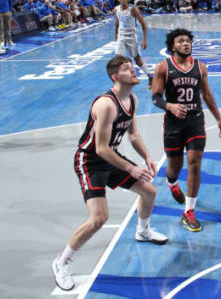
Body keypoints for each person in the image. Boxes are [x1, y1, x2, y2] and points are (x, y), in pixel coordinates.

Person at [52, 55, 168, 291]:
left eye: (133, 67)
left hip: (110, 157)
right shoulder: (106, 104)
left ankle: (143, 231)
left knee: (149, 191)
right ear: (116, 77)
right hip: (90, 161)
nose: (134, 71)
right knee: (99, 218)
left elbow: (133, 135)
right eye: (128, 69)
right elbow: (100, 147)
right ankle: (62, 261)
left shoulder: (132, 99)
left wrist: (145, 156)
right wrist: (131, 167)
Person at [150, 29, 221, 232]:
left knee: (194, 164)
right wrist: (169, 106)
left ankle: (189, 211)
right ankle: (172, 183)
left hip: (195, 121)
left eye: (188, 40)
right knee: (174, 167)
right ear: (172, 46)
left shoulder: (200, 67)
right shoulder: (163, 67)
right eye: (181, 41)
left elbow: (207, 95)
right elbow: (156, 96)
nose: (186, 43)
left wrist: (219, 118)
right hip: (174, 123)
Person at [113, 0, 153, 88]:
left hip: (132, 37)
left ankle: (150, 76)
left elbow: (143, 24)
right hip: (122, 36)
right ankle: (121, 82)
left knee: (138, 60)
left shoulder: (133, 9)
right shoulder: (116, 9)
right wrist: (115, 33)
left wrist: (144, 40)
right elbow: (117, 21)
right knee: (117, 59)